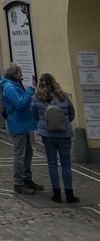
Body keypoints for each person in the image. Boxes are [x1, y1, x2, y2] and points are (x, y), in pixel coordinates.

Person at [31, 73, 79, 204]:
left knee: (52, 164)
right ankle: (69, 194)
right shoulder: (63, 96)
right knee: (66, 164)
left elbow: (34, 115)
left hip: (48, 135)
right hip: (64, 134)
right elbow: (71, 114)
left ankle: (56, 193)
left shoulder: (37, 98)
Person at [0, 63, 43, 195]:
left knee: (28, 153)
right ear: (14, 75)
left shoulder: (14, 84)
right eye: (20, 73)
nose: (22, 75)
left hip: (23, 122)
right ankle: (18, 183)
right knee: (20, 155)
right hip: (18, 123)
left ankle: (27, 179)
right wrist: (30, 91)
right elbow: (19, 103)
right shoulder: (9, 87)